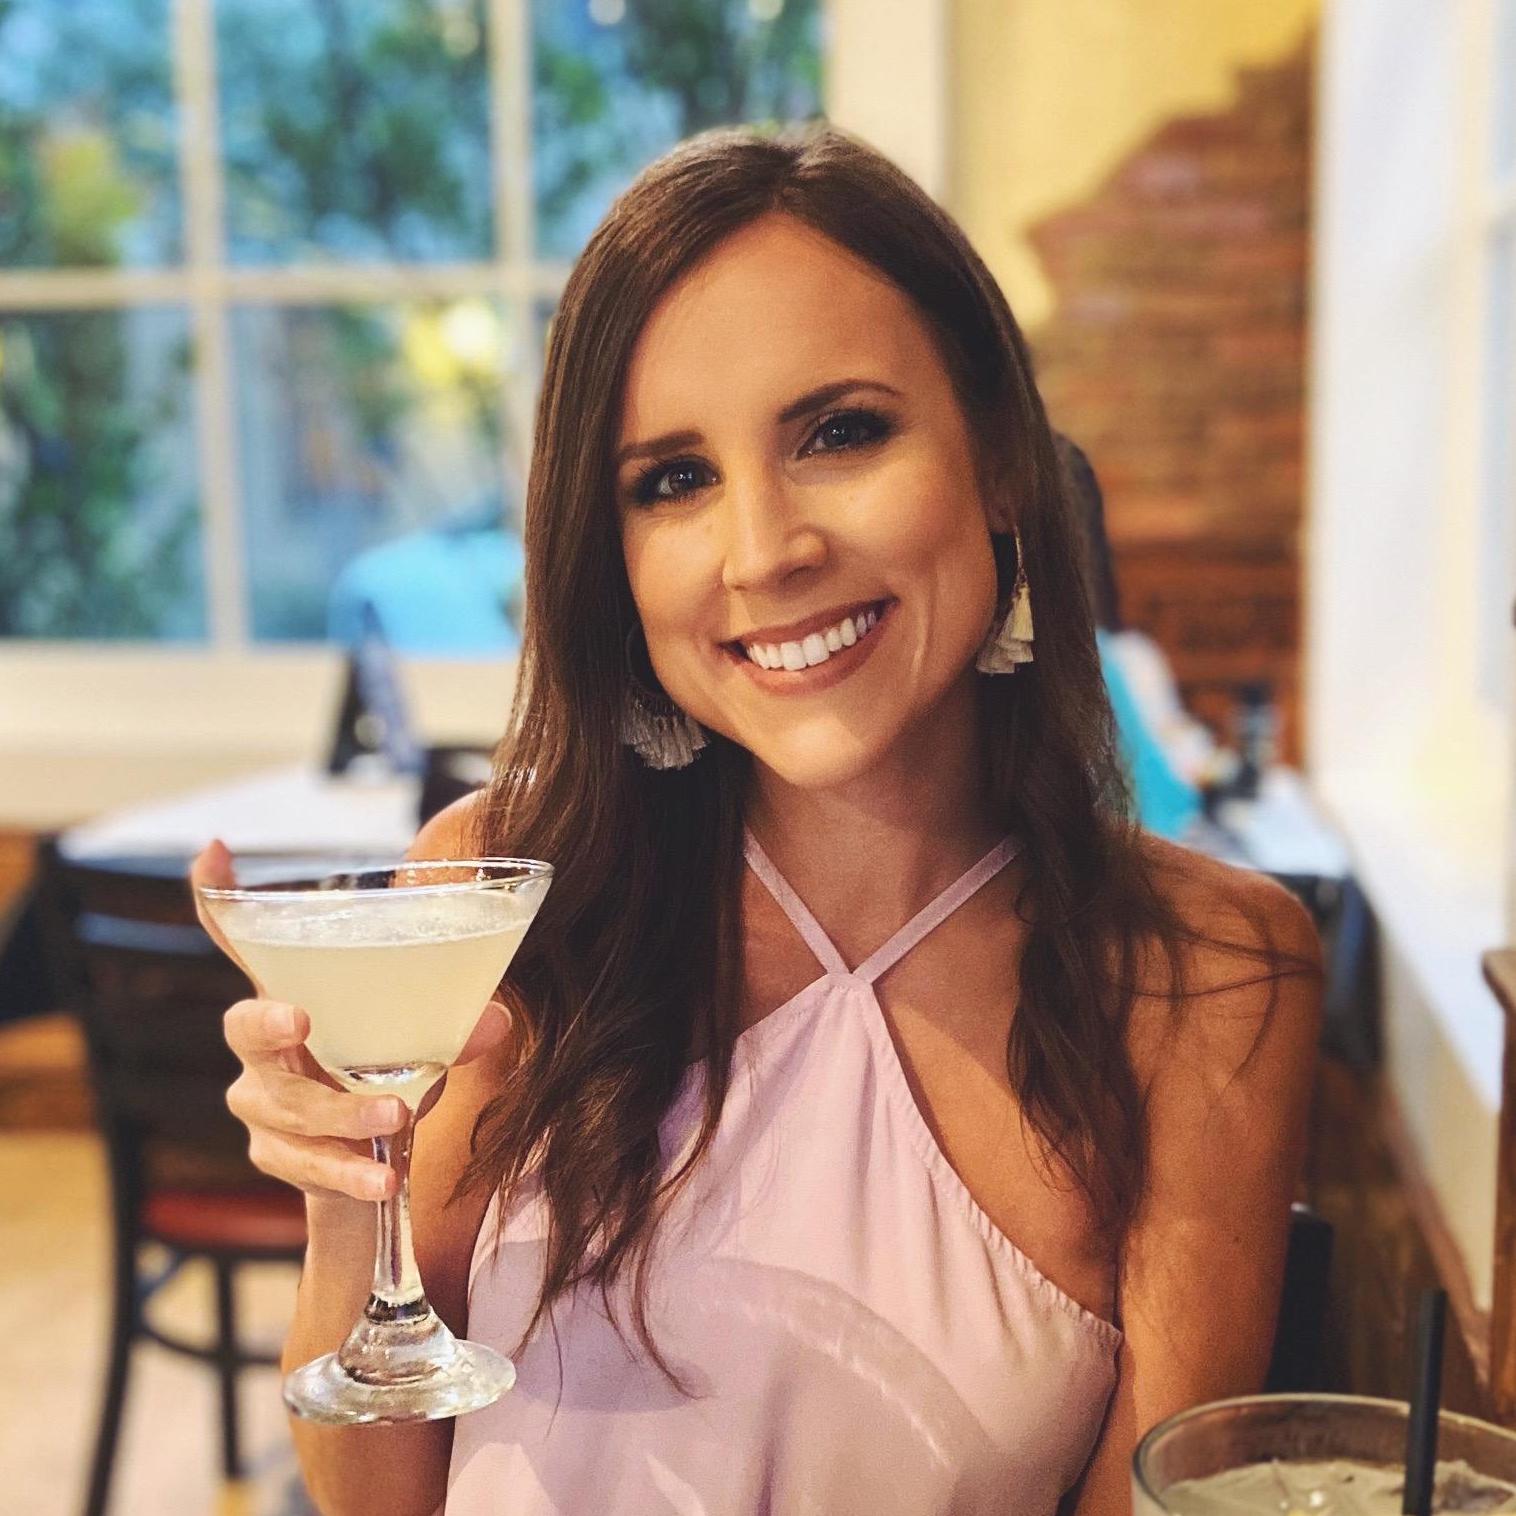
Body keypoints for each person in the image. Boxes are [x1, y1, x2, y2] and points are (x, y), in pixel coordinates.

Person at [193, 124, 1323, 1516]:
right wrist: (343, 1199)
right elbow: (379, 1496)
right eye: (673, 480)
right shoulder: (500, 893)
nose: (764, 551)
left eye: (841, 432)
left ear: (1001, 462)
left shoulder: (1209, 977)